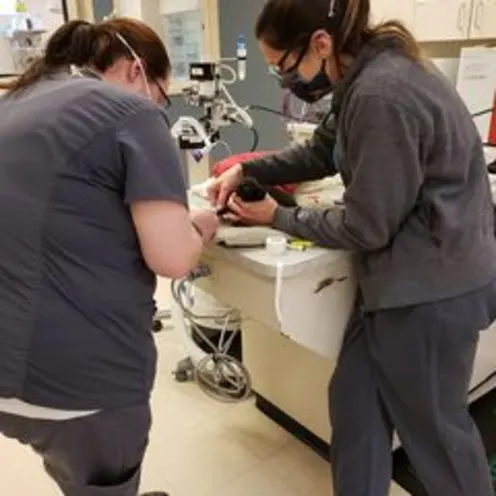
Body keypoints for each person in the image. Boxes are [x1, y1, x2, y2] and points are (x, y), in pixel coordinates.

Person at [208, 0, 496, 494]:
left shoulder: (383, 94)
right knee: (356, 408)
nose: (284, 79)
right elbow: (322, 149)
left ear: (321, 44)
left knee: (437, 440)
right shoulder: (363, 75)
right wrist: (248, 170)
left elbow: (367, 226)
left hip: (430, 290)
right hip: (394, 285)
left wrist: (276, 217)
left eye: (283, 66)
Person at [0, 17, 219, 496]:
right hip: (82, 387)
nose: (158, 105)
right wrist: (203, 225)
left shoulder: (11, 105)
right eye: (161, 94)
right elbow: (174, 259)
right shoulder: (129, 113)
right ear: (137, 70)